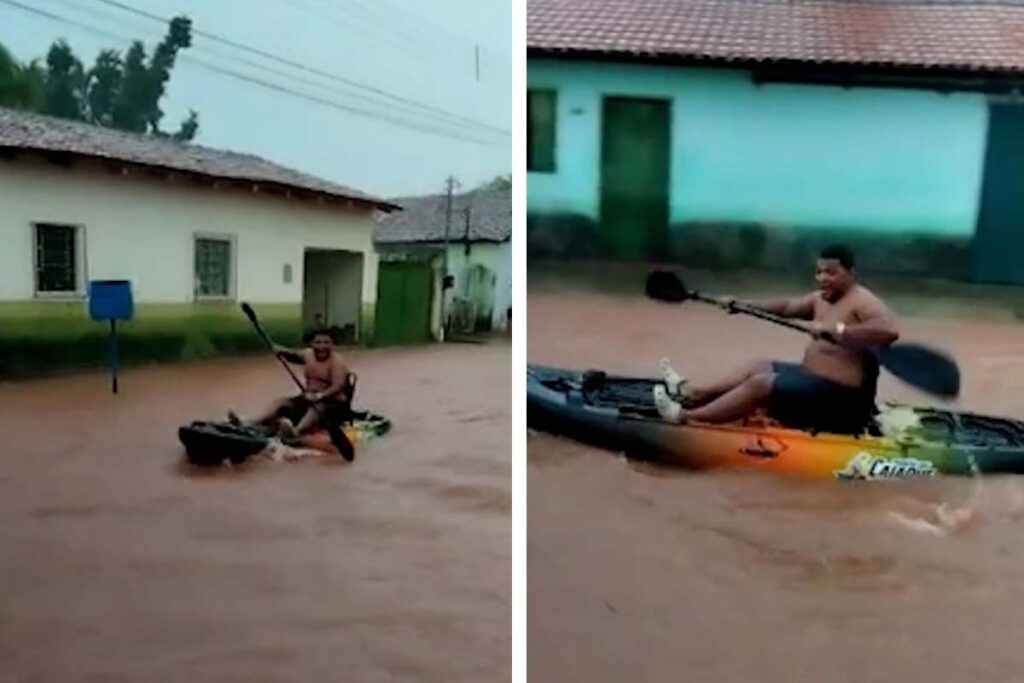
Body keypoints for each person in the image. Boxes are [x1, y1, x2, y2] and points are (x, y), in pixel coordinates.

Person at [653, 244, 900, 433]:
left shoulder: (863, 301)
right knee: (757, 366)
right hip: (811, 380)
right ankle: (692, 395)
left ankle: (685, 418)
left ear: (851, 273)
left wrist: (838, 331)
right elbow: (786, 307)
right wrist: (741, 304)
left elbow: (889, 331)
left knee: (761, 383)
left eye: (831, 273)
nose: (822, 278)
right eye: (819, 272)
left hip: (841, 403)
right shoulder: (821, 298)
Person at [229, 328, 352, 439]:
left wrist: (318, 396)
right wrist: (280, 350)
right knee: (281, 402)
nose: (322, 347)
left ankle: (296, 432)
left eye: (326, 343)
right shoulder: (308, 354)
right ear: (312, 344)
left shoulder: (337, 362)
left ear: (332, 344)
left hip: (332, 403)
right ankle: (251, 424)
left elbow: (337, 386)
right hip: (308, 398)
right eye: (318, 343)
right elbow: (293, 355)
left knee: (317, 408)